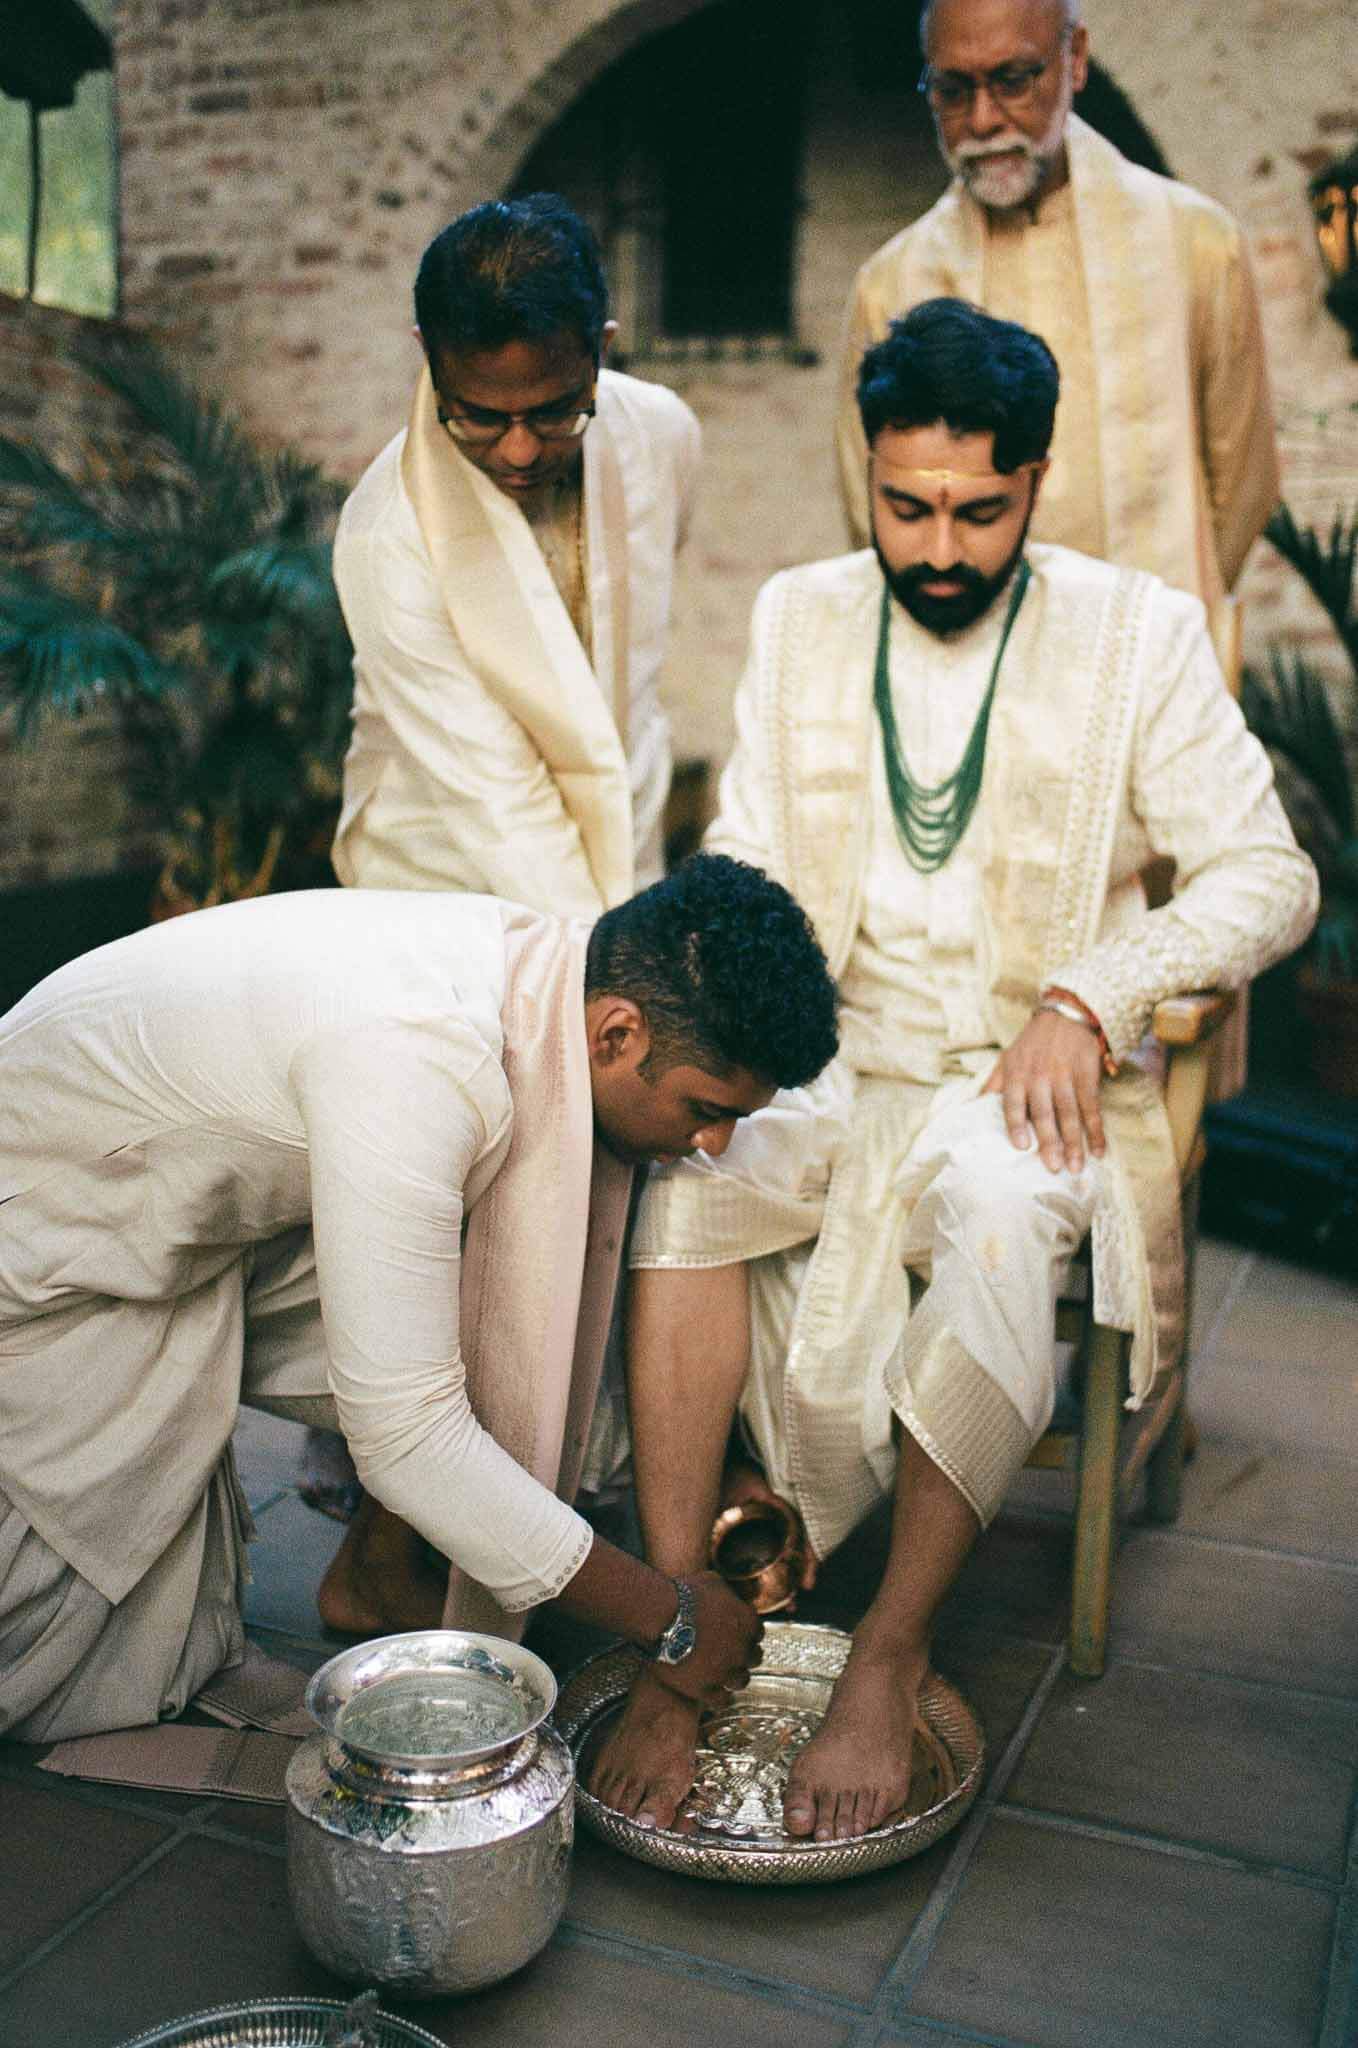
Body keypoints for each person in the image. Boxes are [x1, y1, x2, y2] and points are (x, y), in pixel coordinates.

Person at [590, 301, 1315, 1847]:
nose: (934, 546)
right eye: (903, 506)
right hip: (827, 1059)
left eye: (976, 511)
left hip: (1016, 1077)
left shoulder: (1135, 633)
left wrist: (1092, 994)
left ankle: (890, 1645)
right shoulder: (799, 616)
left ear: (1033, 481)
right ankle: (680, 1619)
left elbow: (1270, 876)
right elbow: (749, 858)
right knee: (681, 1189)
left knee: (993, 1226)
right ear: (865, 470)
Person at [0, 855, 840, 1743]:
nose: (714, 1145)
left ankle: (380, 1569)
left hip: (176, 1209)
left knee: (494, 1284)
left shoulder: (546, 974)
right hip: (53, 1241)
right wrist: (667, 1618)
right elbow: (406, 1437)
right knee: (67, 1664)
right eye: (706, 1109)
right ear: (617, 1034)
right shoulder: (421, 1057)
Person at [835, 0, 1279, 613]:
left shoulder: (1196, 245)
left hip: (1152, 639)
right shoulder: (891, 283)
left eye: (1013, 81)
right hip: (967, 651)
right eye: (953, 91)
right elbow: (873, 512)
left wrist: (1167, 624)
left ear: (1074, 59)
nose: (983, 119)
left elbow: (1245, 482)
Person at [331, 191, 699, 913]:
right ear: (427, 353)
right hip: (444, 886)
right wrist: (612, 953)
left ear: (602, 349)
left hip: (629, 848)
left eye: (556, 411)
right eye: (479, 417)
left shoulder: (666, 435)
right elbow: (502, 807)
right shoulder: (387, 534)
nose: (521, 451)